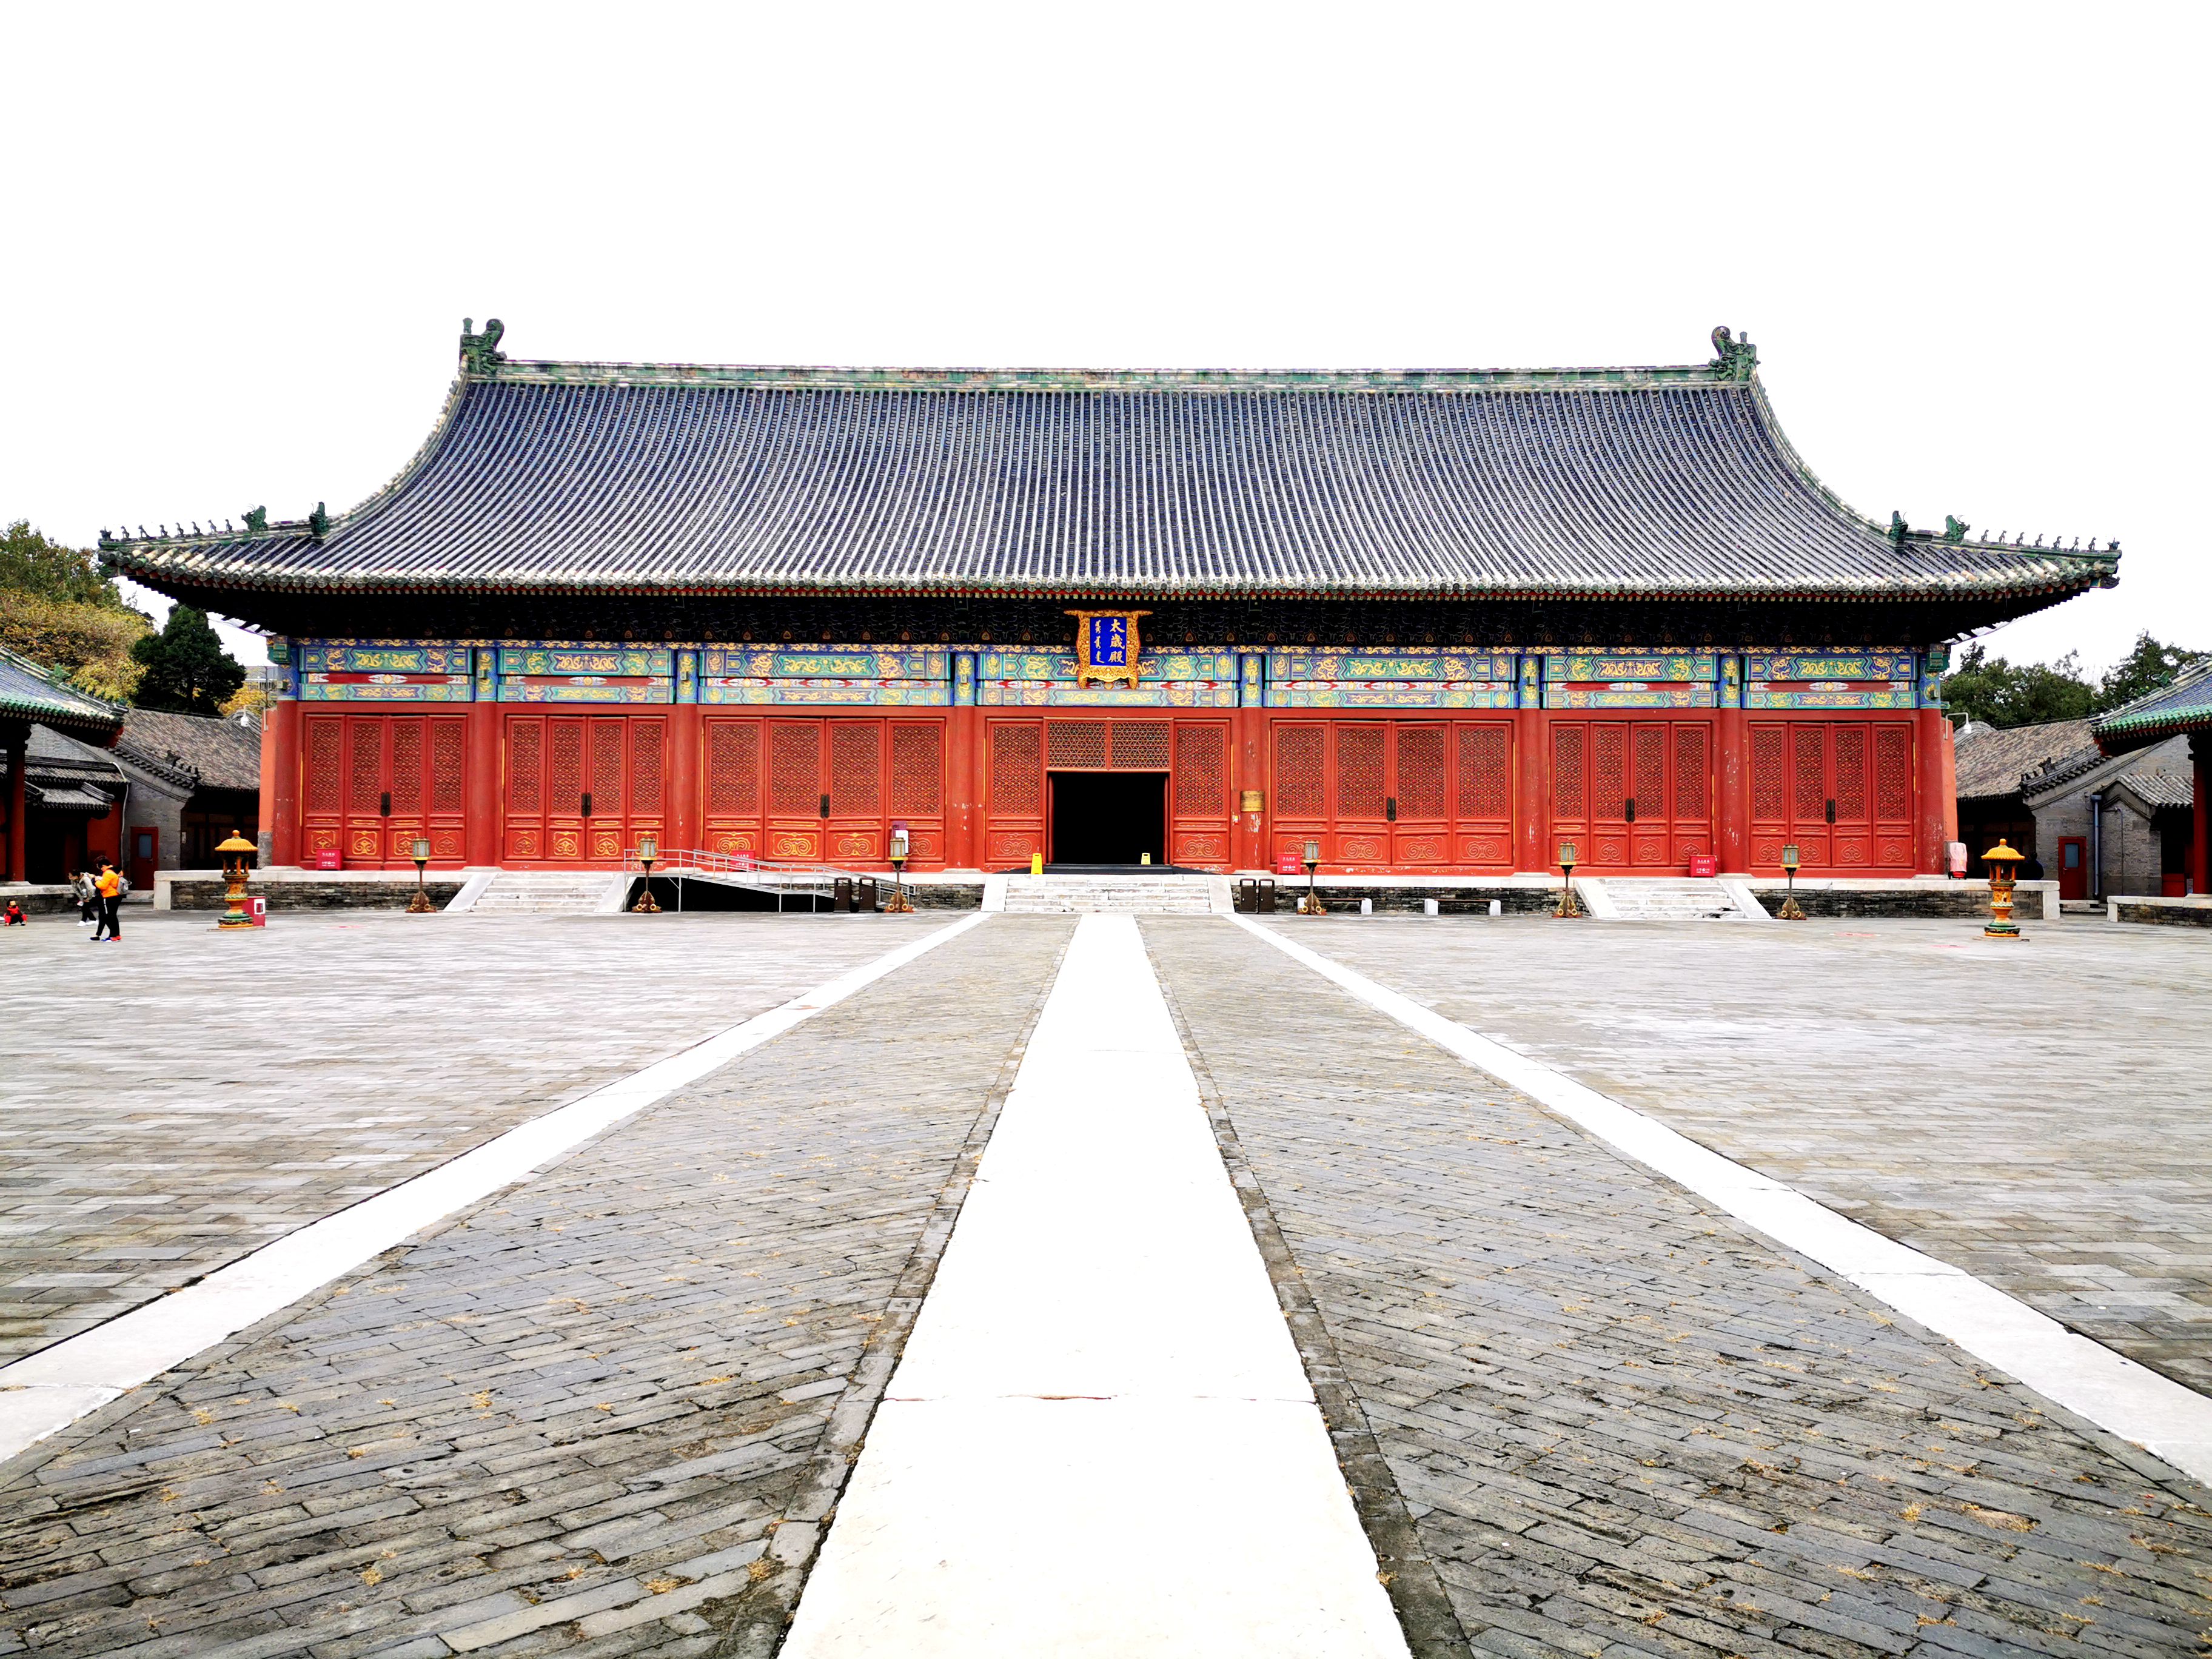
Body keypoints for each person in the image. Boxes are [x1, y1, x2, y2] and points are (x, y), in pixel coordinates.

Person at [91, 859, 122, 942]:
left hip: (109, 896)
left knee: (109, 917)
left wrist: (97, 880)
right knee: (113, 917)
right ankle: (117, 936)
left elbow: (103, 886)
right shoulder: (116, 871)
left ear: (104, 866)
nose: (102, 870)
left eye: (101, 868)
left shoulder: (108, 873)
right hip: (116, 895)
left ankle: (113, 936)